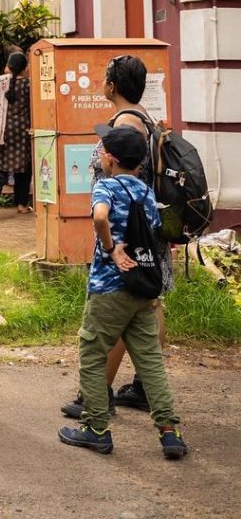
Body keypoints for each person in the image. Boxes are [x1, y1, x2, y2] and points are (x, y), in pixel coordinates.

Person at [58, 125, 187, 459]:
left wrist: (111, 247)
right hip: (143, 288)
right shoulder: (145, 192)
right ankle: (169, 431)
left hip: (109, 289)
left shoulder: (107, 187)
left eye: (102, 151)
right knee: (150, 361)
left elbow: (100, 217)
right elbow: (160, 233)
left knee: (92, 351)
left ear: (110, 159)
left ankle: (96, 428)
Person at [61, 54, 173, 420]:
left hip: (127, 235)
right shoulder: (143, 116)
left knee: (125, 306)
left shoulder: (126, 122)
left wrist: (110, 238)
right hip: (144, 229)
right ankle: (143, 386)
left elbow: (125, 186)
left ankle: (98, 394)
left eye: (105, 77)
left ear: (113, 85)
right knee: (148, 301)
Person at [0, 51, 33, 214]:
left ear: (8, 66)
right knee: (23, 169)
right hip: (21, 131)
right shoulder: (28, 84)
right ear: (25, 68)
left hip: (0, 131)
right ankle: (21, 205)